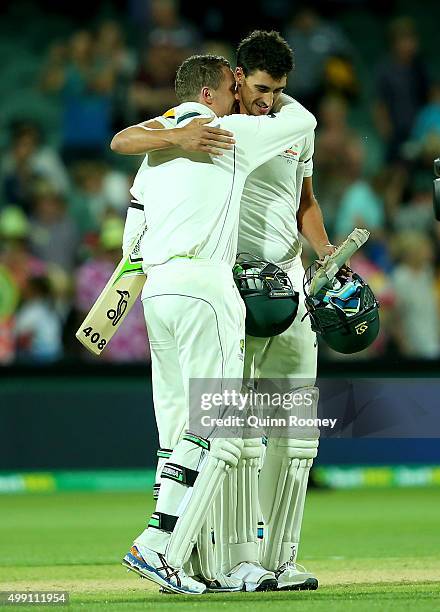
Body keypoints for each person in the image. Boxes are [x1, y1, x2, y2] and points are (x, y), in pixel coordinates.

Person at [111, 52, 316, 594]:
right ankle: (159, 546)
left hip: (157, 291)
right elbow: (305, 123)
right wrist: (278, 102)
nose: (243, 96)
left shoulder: (150, 157)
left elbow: (130, 241)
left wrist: (172, 137)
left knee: (177, 428)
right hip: (207, 287)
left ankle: (189, 557)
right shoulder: (230, 133)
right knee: (216, 427)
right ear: (210, 95)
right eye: (236, 87)